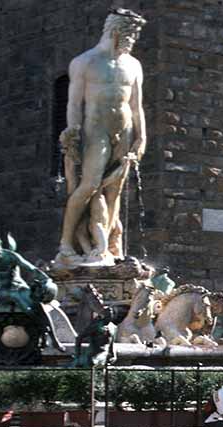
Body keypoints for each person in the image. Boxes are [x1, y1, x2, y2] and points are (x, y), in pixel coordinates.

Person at [56, 9, 147, 267]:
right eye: (131, 35)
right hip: (95, 131)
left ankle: (105, 248)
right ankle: (66, 243)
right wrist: (72, 132)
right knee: (89, 185)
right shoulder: (85, 62)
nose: (133, 41)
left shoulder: (133, 65)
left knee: (115, 190)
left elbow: (136, 105)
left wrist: (142, 138)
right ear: (116, 32)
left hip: (125, 130)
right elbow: (73, 104)